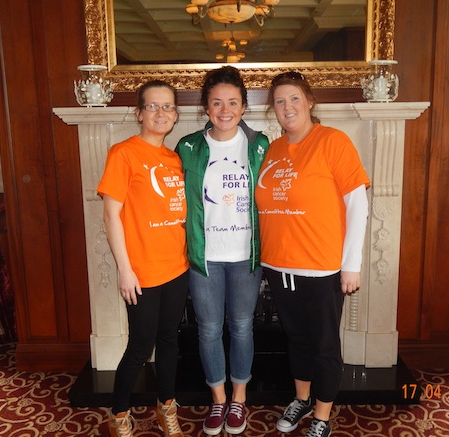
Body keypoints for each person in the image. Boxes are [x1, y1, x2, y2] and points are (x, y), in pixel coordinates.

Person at [255, 71, 370, 437]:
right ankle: (301, 399)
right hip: (278, 265)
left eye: (293, 99)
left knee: (324, 345)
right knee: (296, 339)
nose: (287, 107)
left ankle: (322, 415)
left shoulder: (333, 142)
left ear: (309, 102)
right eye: (279, 101)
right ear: (273, 109)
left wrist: (351, 265)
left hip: (321, 268)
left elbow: (357, 205)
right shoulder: (273, 149)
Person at [175, 66, 270, 436]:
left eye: (233, 102)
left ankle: (239, 399)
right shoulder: (188, 147)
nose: (225, 109)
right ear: (206, 107)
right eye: (217, 102)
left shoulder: (261, 145)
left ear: (244, 106)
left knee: (243, 327)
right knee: (209, 329)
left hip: (247, 256)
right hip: (205, 256)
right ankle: (218, 399)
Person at [97, 80, 189, 437]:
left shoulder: (173, 158)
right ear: (139, 114)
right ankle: (119, 413)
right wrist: (125, 269)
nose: (161, 113)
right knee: (139, 346)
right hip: (142, 271)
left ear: (176, 114)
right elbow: (111, 215)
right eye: (153, 106)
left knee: (169, 342)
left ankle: (167, 406)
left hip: (177, 267)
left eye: (167, 106)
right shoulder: (124, 153)